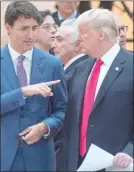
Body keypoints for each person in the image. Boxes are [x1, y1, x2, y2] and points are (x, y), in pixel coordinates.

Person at [57, 8, 133, 171]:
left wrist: (130, 151)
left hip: (116, 163)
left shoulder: (131, 66)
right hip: (76, 163)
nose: (78, 38)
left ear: (101, 34)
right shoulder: (80, 68)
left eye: (83, 32)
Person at [1, 1, 67, 171]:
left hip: (41, 159)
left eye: (34, 28)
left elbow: (63, 110)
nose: (31, 35)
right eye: (24, 29)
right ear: (8, 28)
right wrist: (21, 92)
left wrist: (45, 127)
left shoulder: (53, 63)